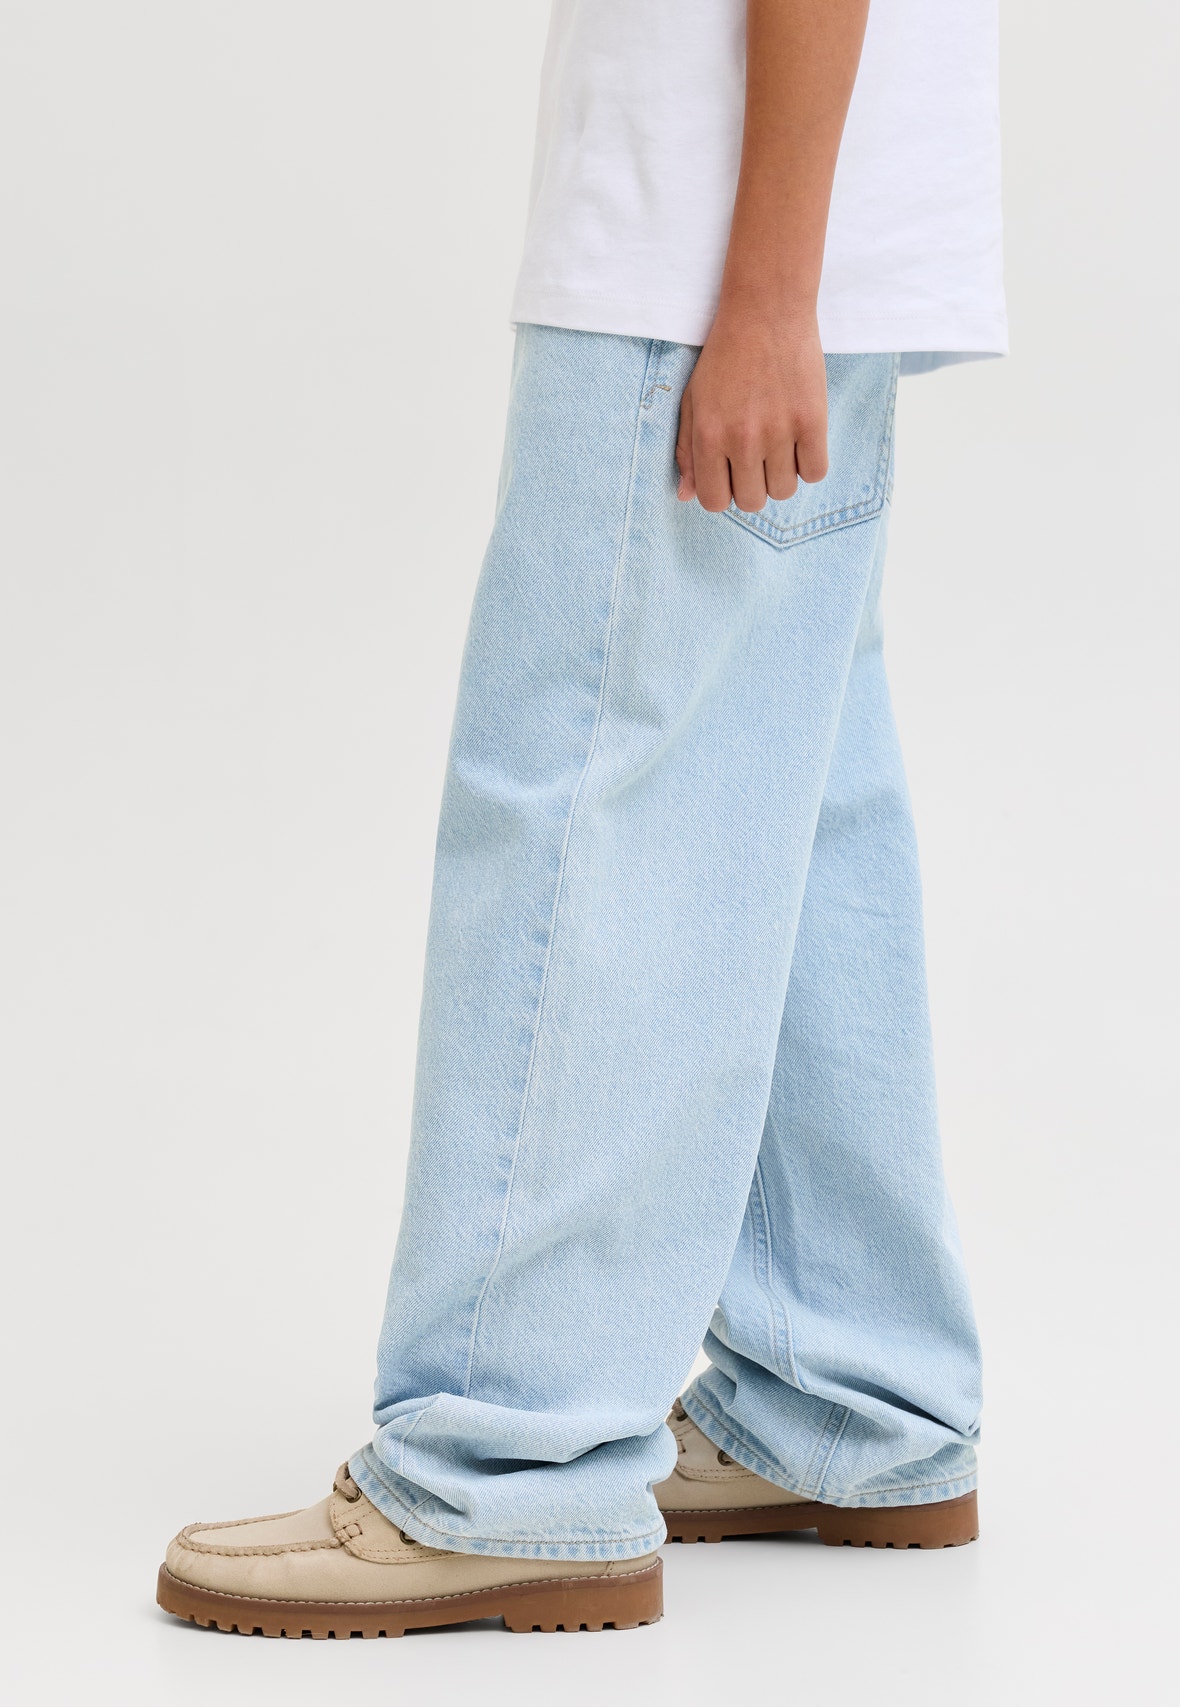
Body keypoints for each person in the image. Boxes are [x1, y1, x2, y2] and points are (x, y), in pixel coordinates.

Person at [157, 0, 1005, 1637]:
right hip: (781, 244)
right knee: (793, 807)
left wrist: (763, 295)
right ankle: (850, 1394)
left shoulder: (727, 273)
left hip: (701, 264)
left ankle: (507, 1467)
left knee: (579, 823)